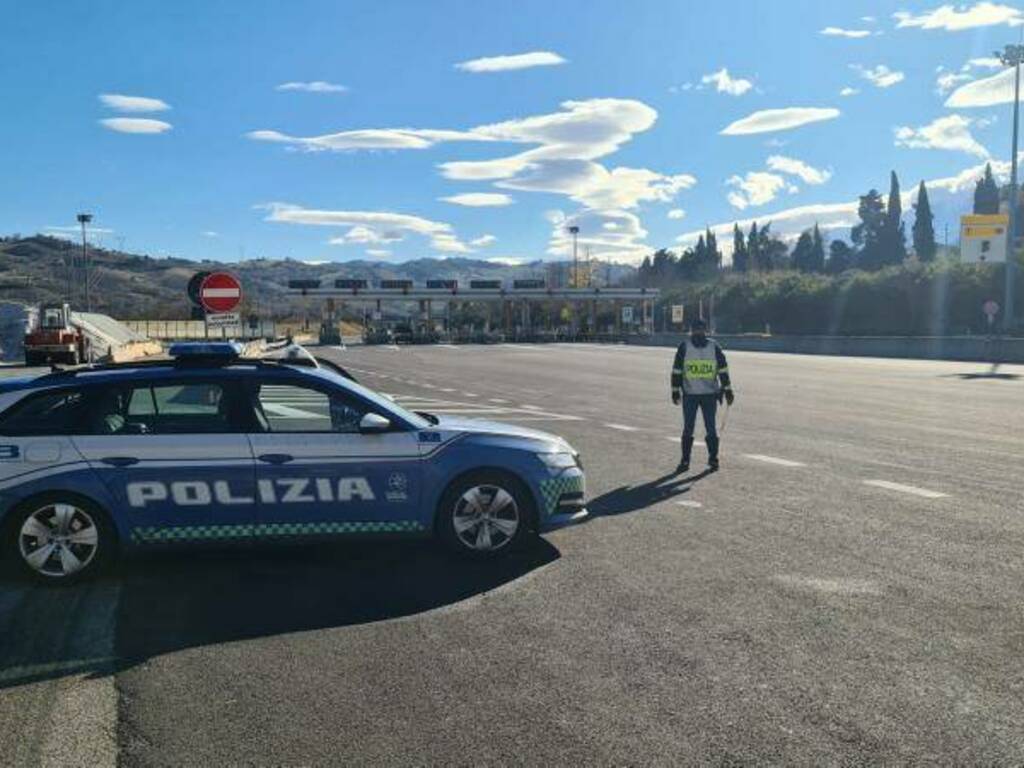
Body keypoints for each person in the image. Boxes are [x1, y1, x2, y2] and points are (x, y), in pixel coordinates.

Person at [670, 319, 734, 472]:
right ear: (691, 331)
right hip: (690, 394)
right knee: (688, 429)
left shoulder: (714, 347)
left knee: (711, 428)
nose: (698, 333)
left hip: (709, 395)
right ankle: (685, 460)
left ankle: (713, 459)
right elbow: (677, 371)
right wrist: (675, 391)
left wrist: (728, 390)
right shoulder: (684, 347)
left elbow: (723, 370)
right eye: (696, 330)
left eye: (701, 330)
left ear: (705, 331)